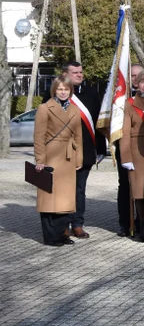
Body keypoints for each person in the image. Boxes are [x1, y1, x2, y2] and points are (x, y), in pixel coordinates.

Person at [33, 77, 83, 246]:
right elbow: (39, 137)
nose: (63, 92)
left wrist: (79, 158)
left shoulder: (75, 110)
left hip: (69, 157)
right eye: (60, 89)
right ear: (54, 90)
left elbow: (78, 136)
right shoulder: (44, 108)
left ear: (71, 91)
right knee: (49, 198)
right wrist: (40, 159)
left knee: (65, 200)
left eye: (66, 89)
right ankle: (51, 237)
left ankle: (62, 233)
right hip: (51, 157)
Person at [60, 61, 102, 240]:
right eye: (75, 72)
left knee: (79, 189)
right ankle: (63, 225)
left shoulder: (91, 92)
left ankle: (77, 224)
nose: (79, 75)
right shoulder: (57, 92)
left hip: (85, 150)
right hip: (62, 151)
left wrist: (100, 148)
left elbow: (98, 122)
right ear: (65, 74)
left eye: (80, 72)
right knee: (63, 189)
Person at [120, 72, 144, 242]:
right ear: (137, 84)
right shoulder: (130, 103)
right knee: (140, 191)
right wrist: (126, 157)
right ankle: (143, 226)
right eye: (142, 82)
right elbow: (125, 133)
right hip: (137, 152)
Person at [116, 61, 144, 235]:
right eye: (132, 75)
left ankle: (143, 223)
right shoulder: (119, 98)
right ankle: (125, 224)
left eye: (138, 76)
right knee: (126, 186)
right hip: (126, 146)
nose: (135, 79)